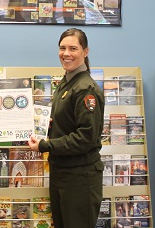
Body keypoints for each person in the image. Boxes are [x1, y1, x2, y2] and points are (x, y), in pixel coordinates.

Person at [28, 28, 105, 228]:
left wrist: (46, 145)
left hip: (80, 176)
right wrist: (49, 125)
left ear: (85, 52)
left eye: (73, 48)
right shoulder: (67, 83)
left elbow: (85, 137)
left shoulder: (85, 88)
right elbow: (69, 123)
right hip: (61, 171)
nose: (66, 53)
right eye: (62, 48)